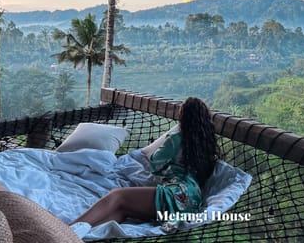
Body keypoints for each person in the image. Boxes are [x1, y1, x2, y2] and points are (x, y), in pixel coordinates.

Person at [71, 97, 219, 228]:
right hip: (192, 201)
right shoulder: (205, 144)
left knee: (117, 195)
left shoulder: (176, 138)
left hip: (176, 194)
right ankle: (79, 234)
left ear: (183, 117)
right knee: (122, 211)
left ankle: (66, 230)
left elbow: (155, 163)